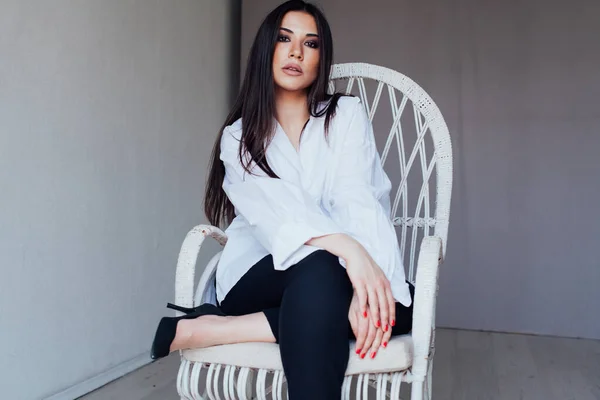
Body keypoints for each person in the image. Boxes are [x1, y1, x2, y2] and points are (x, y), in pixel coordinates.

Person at [150, 1, 415, 398]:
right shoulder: (239, 136)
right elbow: (278, 216)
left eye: (310, 44)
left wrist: (365, 269)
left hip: (329, 273)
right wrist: (349, 252)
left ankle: (211, 327)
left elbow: (357, 197)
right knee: (326, 271)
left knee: (394, 305)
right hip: (256, 272)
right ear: (266, 51)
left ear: (320, 59)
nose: (296, 52)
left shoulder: (345, 115)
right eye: (284, 39)